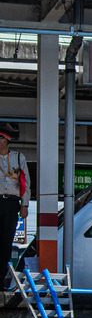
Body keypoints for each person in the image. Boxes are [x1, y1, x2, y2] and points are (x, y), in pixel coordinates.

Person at [0, 123, 30, 291]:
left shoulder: (19, 158)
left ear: (6, 139)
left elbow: (25, 184)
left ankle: (1, 280)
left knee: (6, 242)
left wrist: (24, 205)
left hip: (12, 203)